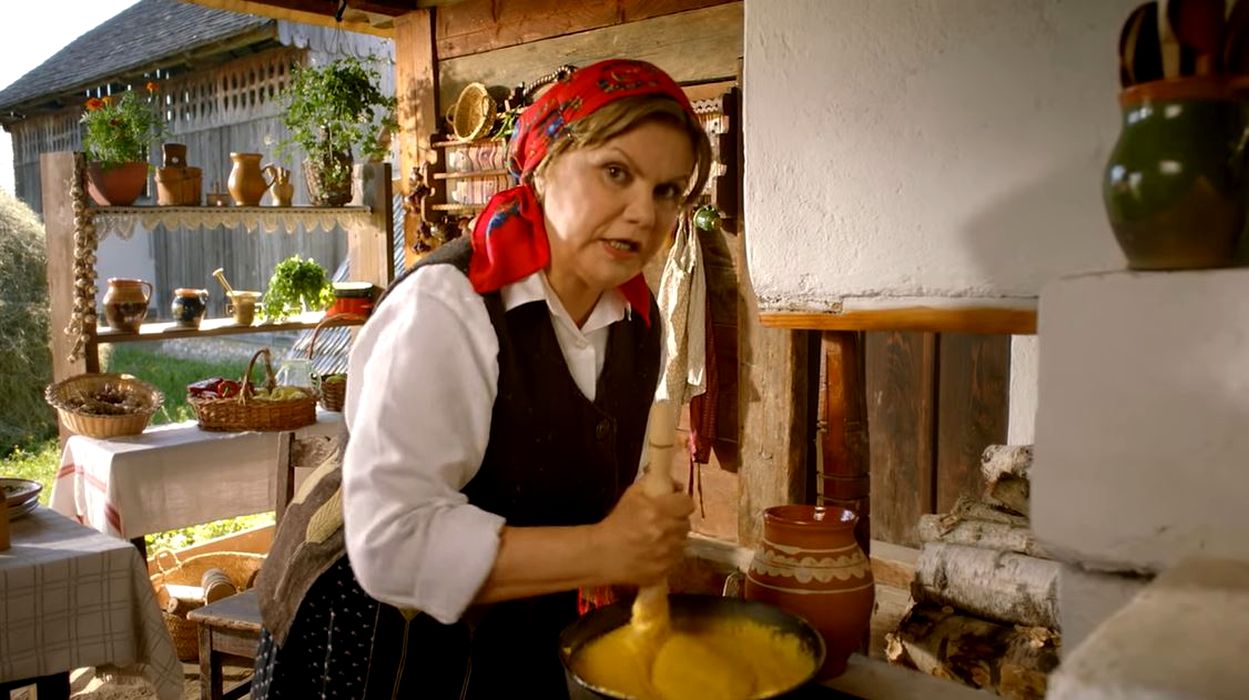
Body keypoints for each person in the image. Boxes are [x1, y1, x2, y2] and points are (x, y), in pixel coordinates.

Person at [250, 58, 714, 699]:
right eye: (616, 172)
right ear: (545, 167)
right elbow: (390, 545)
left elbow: (588, 492)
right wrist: (606, 549)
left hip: (515, 637)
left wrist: (637, 534)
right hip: (371, 640)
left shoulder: (638, 322)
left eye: (667, 190)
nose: (643, 212)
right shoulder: (447, 307)